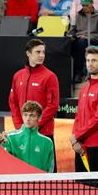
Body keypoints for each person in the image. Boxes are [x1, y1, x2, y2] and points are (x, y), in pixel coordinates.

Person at [9, 38, 59, 172]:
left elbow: (53, 105)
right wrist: (20, 125)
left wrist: (34, 123)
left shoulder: (50, 76)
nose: (41, 55)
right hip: (23, 134)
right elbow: (13, 102)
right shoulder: (17, 76)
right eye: (37, 52)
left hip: (44, 134)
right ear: (28, 53)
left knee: (47, 176)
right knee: (21, 174)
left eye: (43, 52)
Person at [0, 101, 55, 173]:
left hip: (39, 183)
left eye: (32, 115)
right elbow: (4, 163)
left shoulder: (47, 142)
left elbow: (50, 169)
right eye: (25, 115)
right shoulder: (10, 138)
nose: (28, 119)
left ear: (39, 118)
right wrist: (3, 144)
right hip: (17, 183)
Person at [67, 0, 98, 83]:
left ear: (92, 3)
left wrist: (87, 37)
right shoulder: (78, 15)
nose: (84, 7)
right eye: (83, 5)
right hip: (79, 39)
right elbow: (72, 30)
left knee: (81, 43)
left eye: (86, 5)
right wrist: (71, 36)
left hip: (93, 39)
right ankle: (68, 74)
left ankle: (79, 73)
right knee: (69, 43)